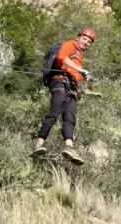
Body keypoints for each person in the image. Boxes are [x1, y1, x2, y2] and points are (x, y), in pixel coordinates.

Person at [32, 28, 95, 164]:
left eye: (89, 42)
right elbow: (61, 58)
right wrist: (80, 70)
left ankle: (69, 148)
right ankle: (38, 145)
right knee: (54, 113)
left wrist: (83, 80)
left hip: (71, 88)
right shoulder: (70, 45)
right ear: (79, 37)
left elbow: (75, 74)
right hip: (59, 82)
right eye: (85, 39)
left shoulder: (79, 56)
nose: (86, 43)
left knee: (70, 118)